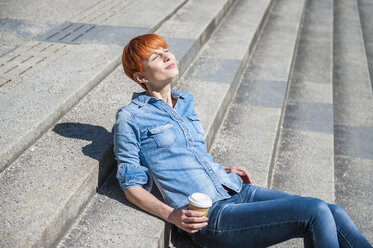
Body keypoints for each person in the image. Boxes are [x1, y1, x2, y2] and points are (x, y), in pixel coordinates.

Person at [113, 33, 372, 248]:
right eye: (156, 56)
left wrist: (218, 169)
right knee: (314, 211)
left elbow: (187, 153)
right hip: (211, 216)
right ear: (141, 77)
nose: (168, 56)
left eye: (167, 50)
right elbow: (131, 186)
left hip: (234, 189)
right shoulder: (131, 117)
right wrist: (172, 215)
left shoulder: (185, 102)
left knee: (333, 212)